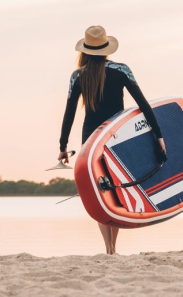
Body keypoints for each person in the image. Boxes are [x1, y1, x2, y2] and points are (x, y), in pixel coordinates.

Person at [59, 25, 165, 255]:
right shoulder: (121, 70)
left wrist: (62, 147)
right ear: (106, 48)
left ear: (85, 50)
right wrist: (158, 135)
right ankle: (112, 248)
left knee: (100, 189)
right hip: (116, 135)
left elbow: (69, 113)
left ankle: (109, 248)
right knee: (114, 188)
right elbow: (143, 105)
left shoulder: (78, 75)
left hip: (90, 139)